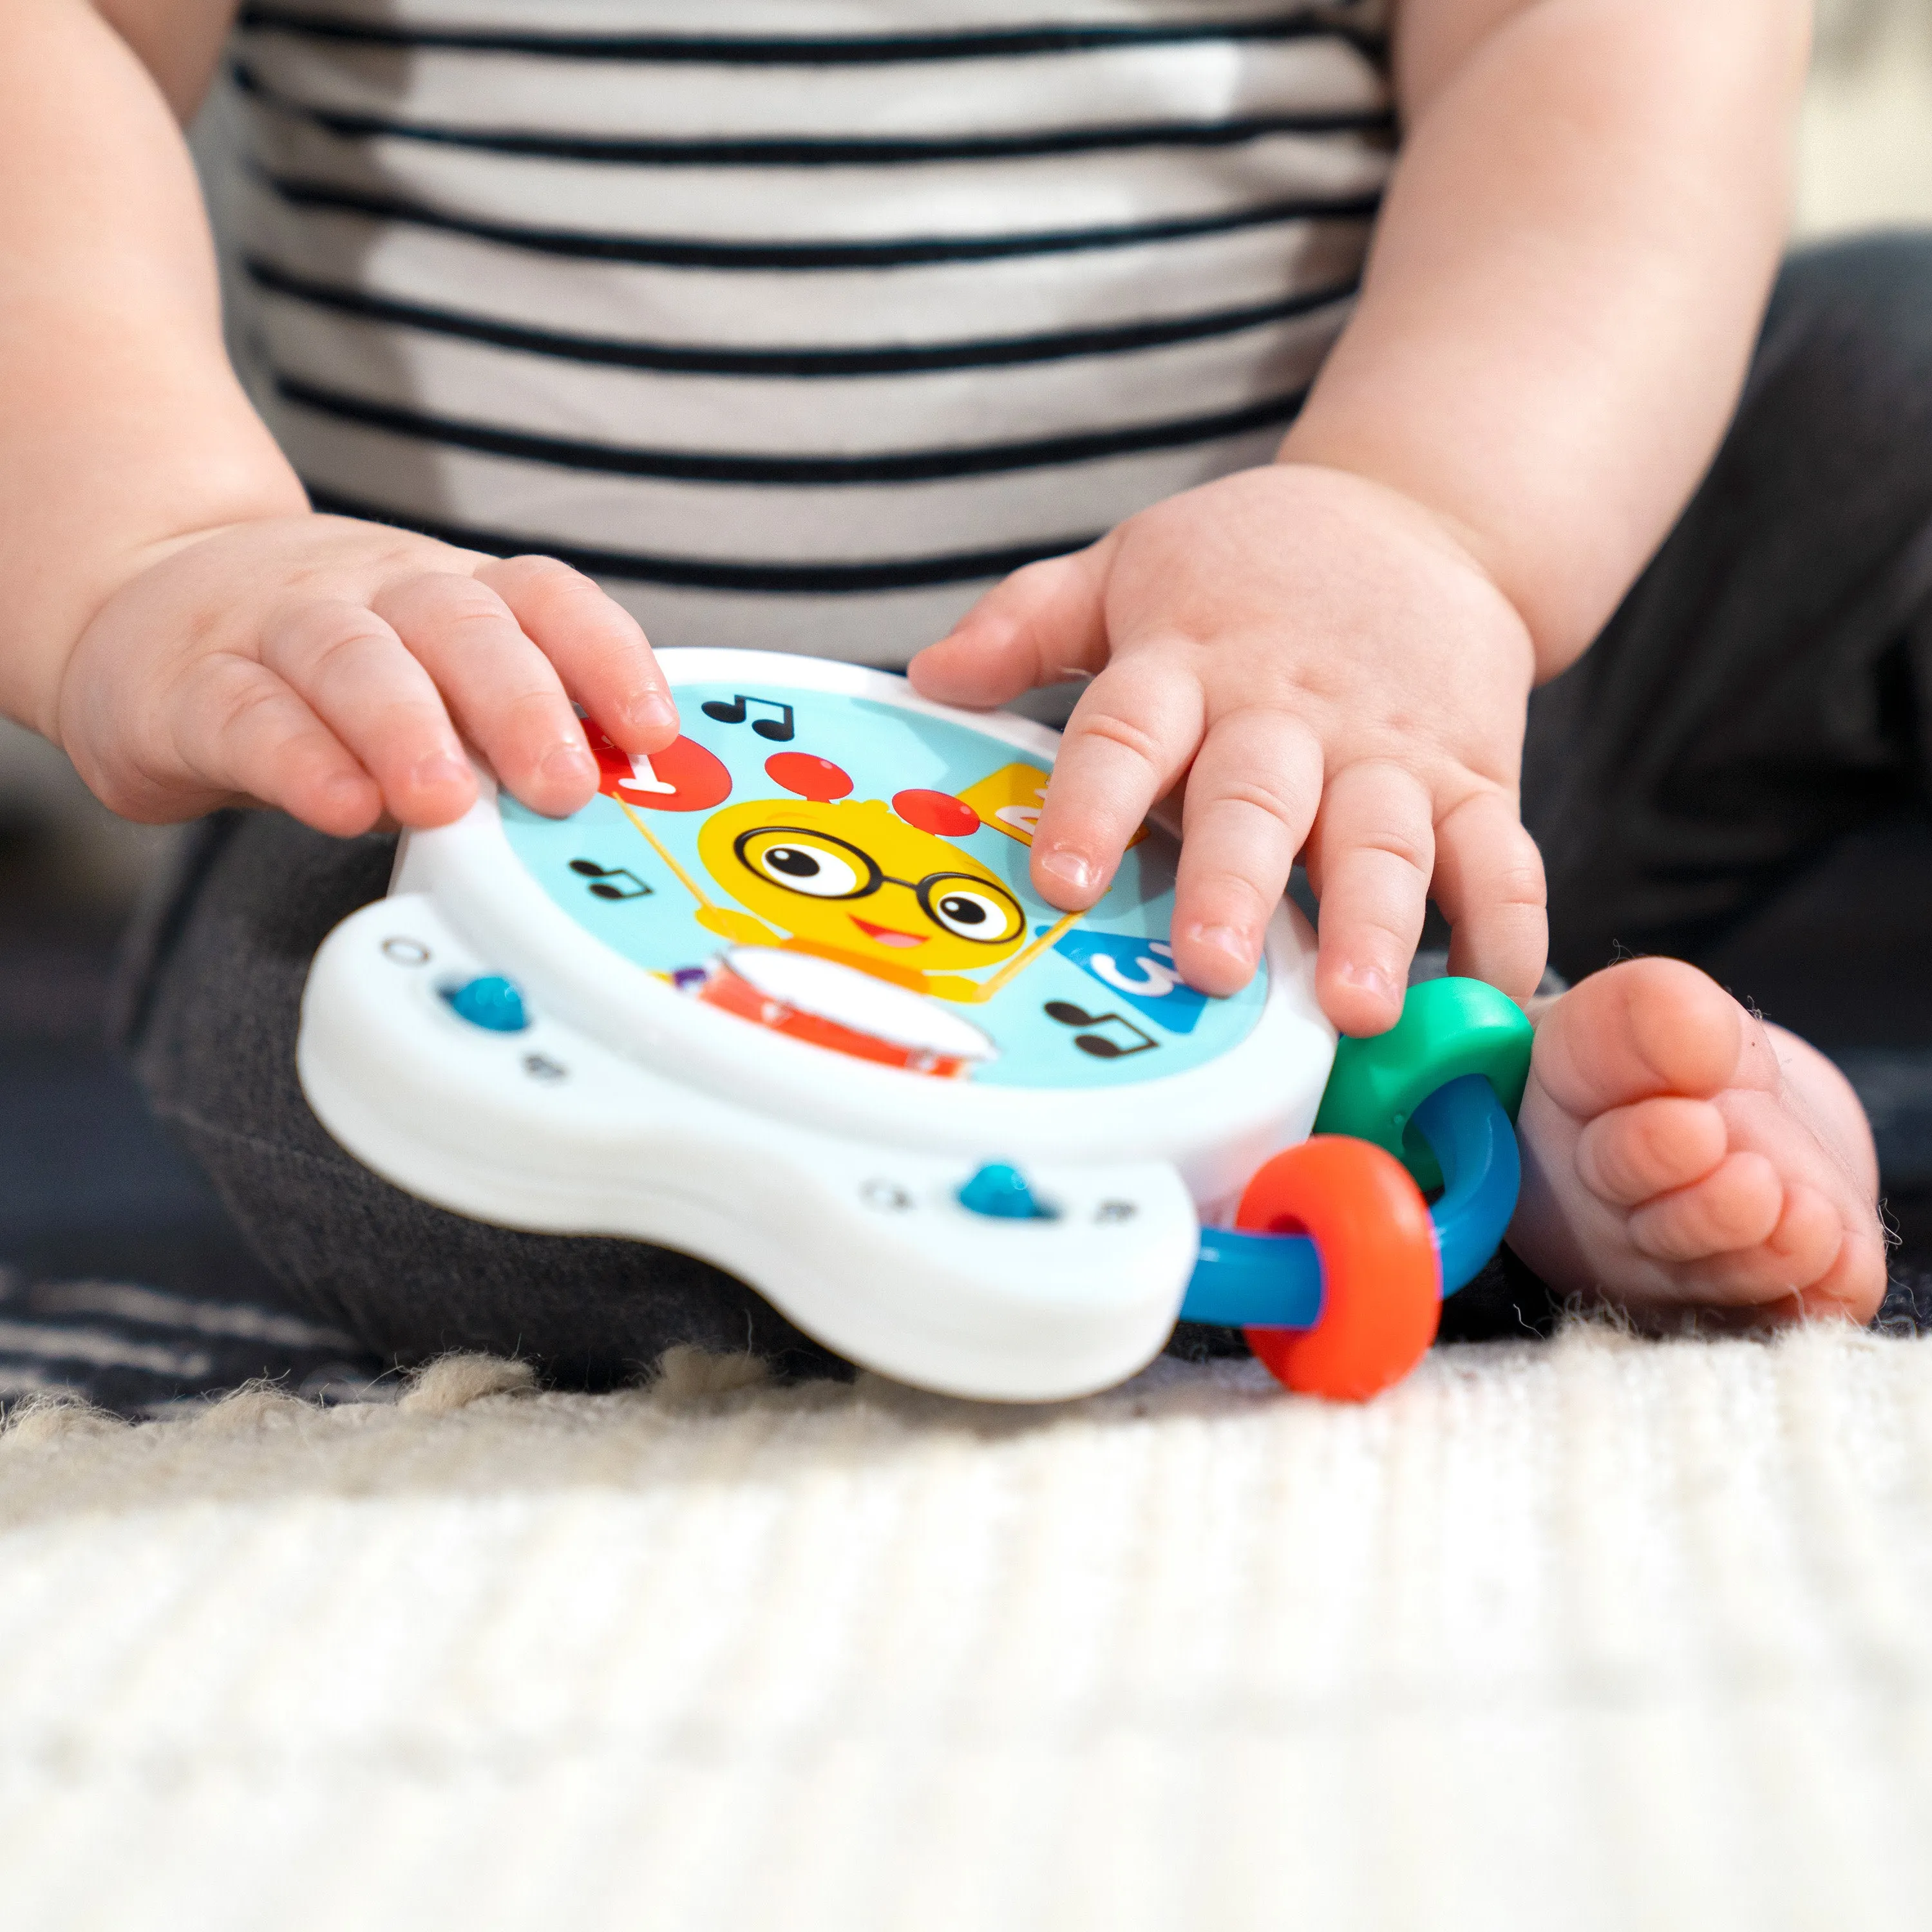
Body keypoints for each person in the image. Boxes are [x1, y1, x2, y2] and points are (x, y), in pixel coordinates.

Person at [0, 0, 1890, 1383]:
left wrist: (1430, 521)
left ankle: (1436, 1045)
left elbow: (1605, 59)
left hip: (1364, 756)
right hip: (533, 814)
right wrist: (152, 547)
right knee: (360, 1022)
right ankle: (1421, 1142)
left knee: (1893, 377)